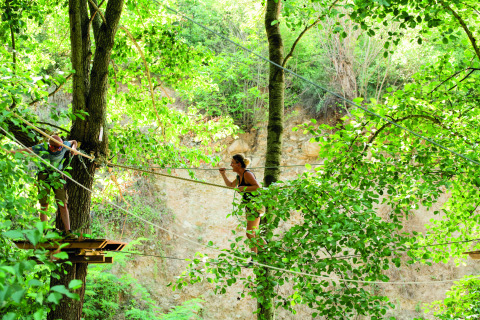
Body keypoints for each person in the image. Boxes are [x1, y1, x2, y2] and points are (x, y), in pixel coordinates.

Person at [7, 135, 79, 240]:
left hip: (57, 176)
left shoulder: (64, 145)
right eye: (57, 148)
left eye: (60, 147)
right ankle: (44, 233)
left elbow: (74, 141)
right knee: (44, 204)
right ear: (51, 146)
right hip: (43, 175)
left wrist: (74, 148)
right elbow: (27, 150)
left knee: (63, 203)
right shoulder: (42, 147)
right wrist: (10, 152)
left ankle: (68, 231)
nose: (60, 149)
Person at [219, 154, 264, 254]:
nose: (230, 165)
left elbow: (257, 187)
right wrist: (223, 174)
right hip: (249, 206)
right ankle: (254, 258)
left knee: (250, 233)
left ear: (238, 164)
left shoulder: (247, 174)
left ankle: (268, 251)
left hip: (255, 205)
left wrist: (243, 188)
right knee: (252, 234)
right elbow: (230, 185)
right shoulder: (240, 176)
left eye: (232, 163)